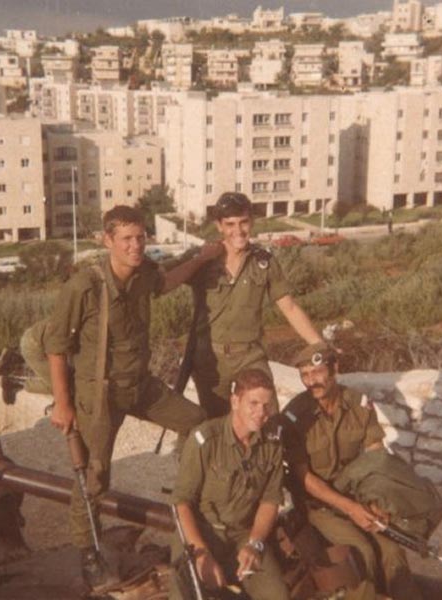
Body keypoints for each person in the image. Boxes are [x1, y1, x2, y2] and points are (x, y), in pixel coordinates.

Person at [41, 205, 222, 592]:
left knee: (198, 424)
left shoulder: (143, 275)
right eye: (126, 239)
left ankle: (191, 504)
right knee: (94, 476)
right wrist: (63, 403)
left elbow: (167, 281)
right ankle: (89, 553)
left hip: (139, 386)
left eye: (140, 237)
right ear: (107, 240)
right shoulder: (84, 287)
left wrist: (202, 258)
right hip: (99, 394)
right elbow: (56, 347)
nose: (135, 245)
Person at [281, 342, 422, 600]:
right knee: (361, 551)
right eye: (305, 375)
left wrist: (377, 502)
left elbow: (376, 456)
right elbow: (304, 478)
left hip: (356, 495)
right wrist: (350, 508)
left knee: (392, 551)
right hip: (317, 505)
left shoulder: (359, 404)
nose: (311, 381)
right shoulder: (294, 415)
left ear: (334, 368)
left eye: (317, 372)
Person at [189, 191, 322, 418]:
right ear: (219, 226)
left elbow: (289, 307)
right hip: (211, 358)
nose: (238, 230)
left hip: (250, 355)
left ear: (252, 221)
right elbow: (162, 280)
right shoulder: (202, 258)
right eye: (230, 224)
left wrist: (319, 345)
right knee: (217, 423)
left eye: (243, 222)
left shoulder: (264, 262)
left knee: (268, 415)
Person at [170, 368, 290, 600]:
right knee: (185, 592)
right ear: (235, 402)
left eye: (266, 405)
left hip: (243, 534)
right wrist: (201, 553)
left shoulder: (272, 443)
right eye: (253, 403)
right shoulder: (205, 440)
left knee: (277, 595)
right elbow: (181, 502)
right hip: (201, 532)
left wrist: (254, 544)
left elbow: (270, 500)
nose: (261, 413)